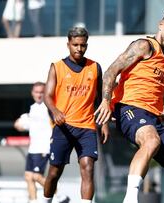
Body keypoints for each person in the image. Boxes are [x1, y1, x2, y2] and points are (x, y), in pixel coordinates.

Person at [95, 9, 164, 203]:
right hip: (129, 109)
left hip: (154, 118)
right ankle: (130, 198)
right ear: (161, 24)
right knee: (151, 141)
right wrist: (105, 101)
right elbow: (111, 71)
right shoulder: (144, 45)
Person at [43, 26, 109, 203]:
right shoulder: (57, 67)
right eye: (75, 45)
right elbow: (47, 95)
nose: (79, 49)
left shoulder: (95, 67)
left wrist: (104, 124)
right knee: (54, 172)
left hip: (87, 127)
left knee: (88, 167)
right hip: (63, 127)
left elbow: (100, 100)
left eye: (83, 45)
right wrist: (55, 111)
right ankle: (46, 200)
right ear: (68, 44)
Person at [14, 82, 69, 203]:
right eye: (36, 92)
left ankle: (60, 196)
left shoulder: (50, 108)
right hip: (33, 148)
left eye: (41, 92)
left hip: (44, 148)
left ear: (46, 93)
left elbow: (57, 123)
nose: (39, 95)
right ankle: (33, 201)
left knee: (36, 176)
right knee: (28, 177)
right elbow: (22, 125)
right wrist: (19, 124)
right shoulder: (32, 108)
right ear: (32, 93)